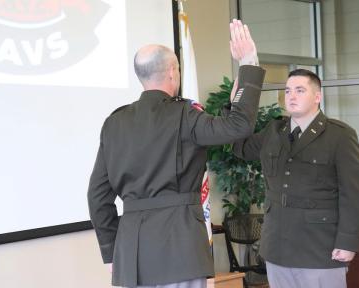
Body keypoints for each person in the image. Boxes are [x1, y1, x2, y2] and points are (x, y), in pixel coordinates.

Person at [87, 19, 265, 288]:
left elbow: (98, 196)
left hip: (132, 255)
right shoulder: (185, 114)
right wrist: (248, 63)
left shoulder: (115, 122)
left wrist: (112, 250)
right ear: (172, 72)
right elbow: (238, 127)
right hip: (180, 249)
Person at [232, 69, 359, 288]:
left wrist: (348, 242)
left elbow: (354, 194)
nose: (291, 96)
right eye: (287, 91)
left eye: (299, 90)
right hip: (278, 246)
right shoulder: (273, 131)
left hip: (320, 246)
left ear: (317, 96)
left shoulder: (340, 136)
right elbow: (241, 148)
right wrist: (238, 106)